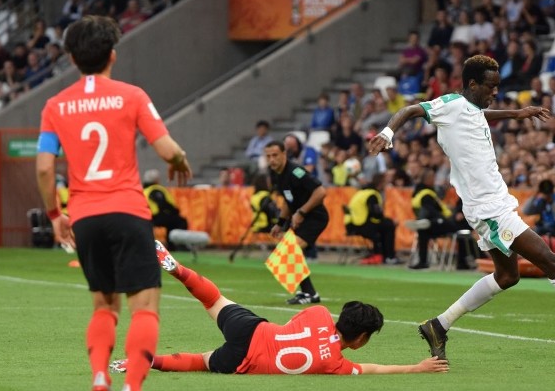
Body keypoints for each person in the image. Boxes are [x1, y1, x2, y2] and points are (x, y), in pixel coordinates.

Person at [367, 55, 555, 361]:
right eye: (490, 86)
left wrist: (517, 114)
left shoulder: (471, 109)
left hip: (495, 204)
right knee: (552, 262)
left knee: (507, 276)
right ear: (472, 84)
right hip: (489, 210)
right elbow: (411, 110)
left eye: (497, 86)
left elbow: (482, 115)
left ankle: (439, 325)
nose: (495, 92)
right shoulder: (449, 105)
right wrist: (387, 133)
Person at [36, 15, 192, 391]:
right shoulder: (132, 96)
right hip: (127, 211)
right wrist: (180, 159)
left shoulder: (55, 106)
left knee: (103, 307)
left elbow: (41, 168)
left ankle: (101, 380)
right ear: (113, 55)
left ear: (71, 58)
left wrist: (55, 214)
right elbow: (165, 148)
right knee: (145, 306)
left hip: (85, 217)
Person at [110, 242, 448, 375]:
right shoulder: (335, 364)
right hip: (243, 361)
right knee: (201, 361)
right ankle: (146, 360)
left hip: (252, 329)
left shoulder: (317, 314)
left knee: (213, 300)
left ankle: (178, 269)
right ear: (360, 339)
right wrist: (415, 368)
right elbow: (373, 370)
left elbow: (297, 325)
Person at [265, 140, 328, 304]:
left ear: (284, 154)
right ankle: (308, 292)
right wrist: (279, 222)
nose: (271, 159)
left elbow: (320, 192)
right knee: (286, 253)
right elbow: (288, 201)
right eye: (268, 156)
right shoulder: (276, 174)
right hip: (301, 218)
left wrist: (301, 212)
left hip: (315, 217)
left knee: (290, 250)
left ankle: (310, 294)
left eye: (275, 155)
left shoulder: (296, 172)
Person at [407, 169, 473, 270]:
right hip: (441, 222)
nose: (434, 180)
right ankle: (461, 263)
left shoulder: (417, 193)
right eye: (433, 178)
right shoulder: (427, 194)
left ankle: (422, 261)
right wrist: (445, 218)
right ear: (428, 179)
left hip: (430, 224)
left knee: (423, 231)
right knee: (460, 230)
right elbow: (434, 211)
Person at [344, 173, 399, 265]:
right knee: (389, 225)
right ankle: (389, 256)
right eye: (385, 183)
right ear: (380, 183)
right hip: (360, 225)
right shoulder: (372, 195)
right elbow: (375, 214)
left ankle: (381, 254)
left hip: (351, 224)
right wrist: (390, 221)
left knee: (385, 225)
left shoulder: (362, 192)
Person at [143, 169, 188, 248]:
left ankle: (172, 245)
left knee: (171, 220)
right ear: (156, 180)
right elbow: (163, 204)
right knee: (180, 221)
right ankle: (177, 245)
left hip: (146, 216)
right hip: (156, 216)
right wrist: (175, 211)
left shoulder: (144, 190)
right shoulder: (156, 189)